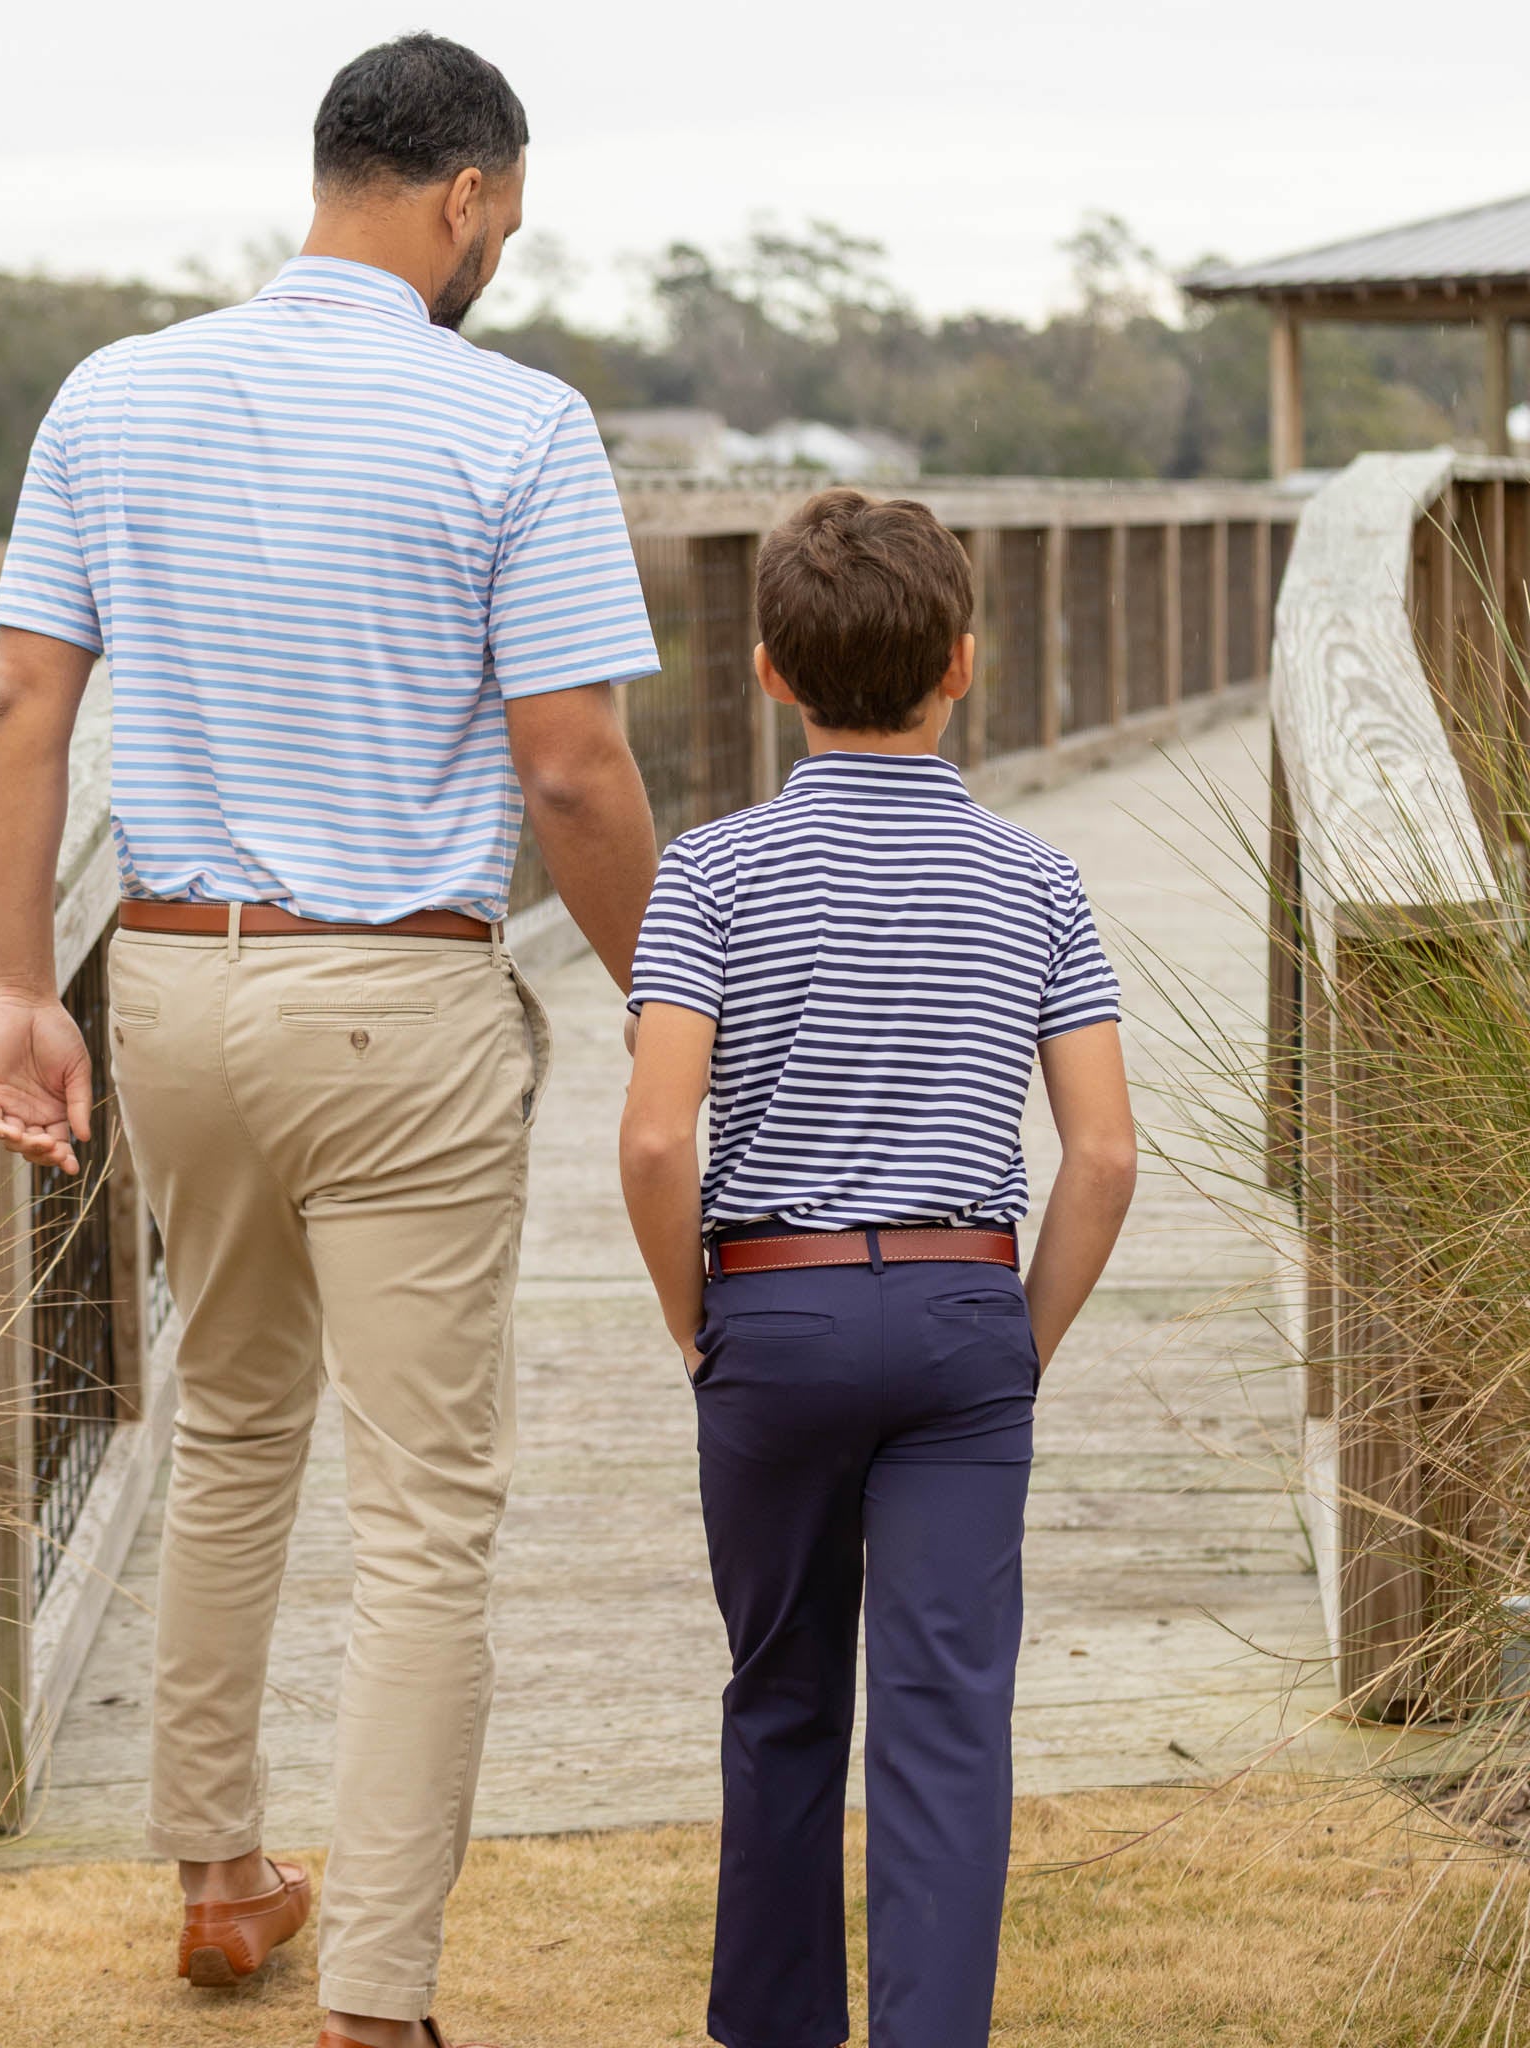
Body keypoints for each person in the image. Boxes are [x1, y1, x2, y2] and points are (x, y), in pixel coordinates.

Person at [0, 33, 661, 2048]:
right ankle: (381, 1999)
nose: (498, 257)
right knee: (428, 1502)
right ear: (461, 201)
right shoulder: (517, 424)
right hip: (400, 1000)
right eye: (504, 226)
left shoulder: (115, 393)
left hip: (175, 989)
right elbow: (574, 770)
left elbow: (25, 698)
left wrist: (27, 987)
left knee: (234, 1419)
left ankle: (217, 1880)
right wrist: (671, 990)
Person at [619, 489, 1138, 2048]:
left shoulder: (708, 878)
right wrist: (1015, 1345)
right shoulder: (1038, 882)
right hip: (965, 1308)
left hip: (770, 1310)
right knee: (946, 1720)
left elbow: (656, 1145)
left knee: (780, 1696)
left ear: (771, 672)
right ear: (962, 664)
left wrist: (697, 1329)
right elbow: (1105, 1157)